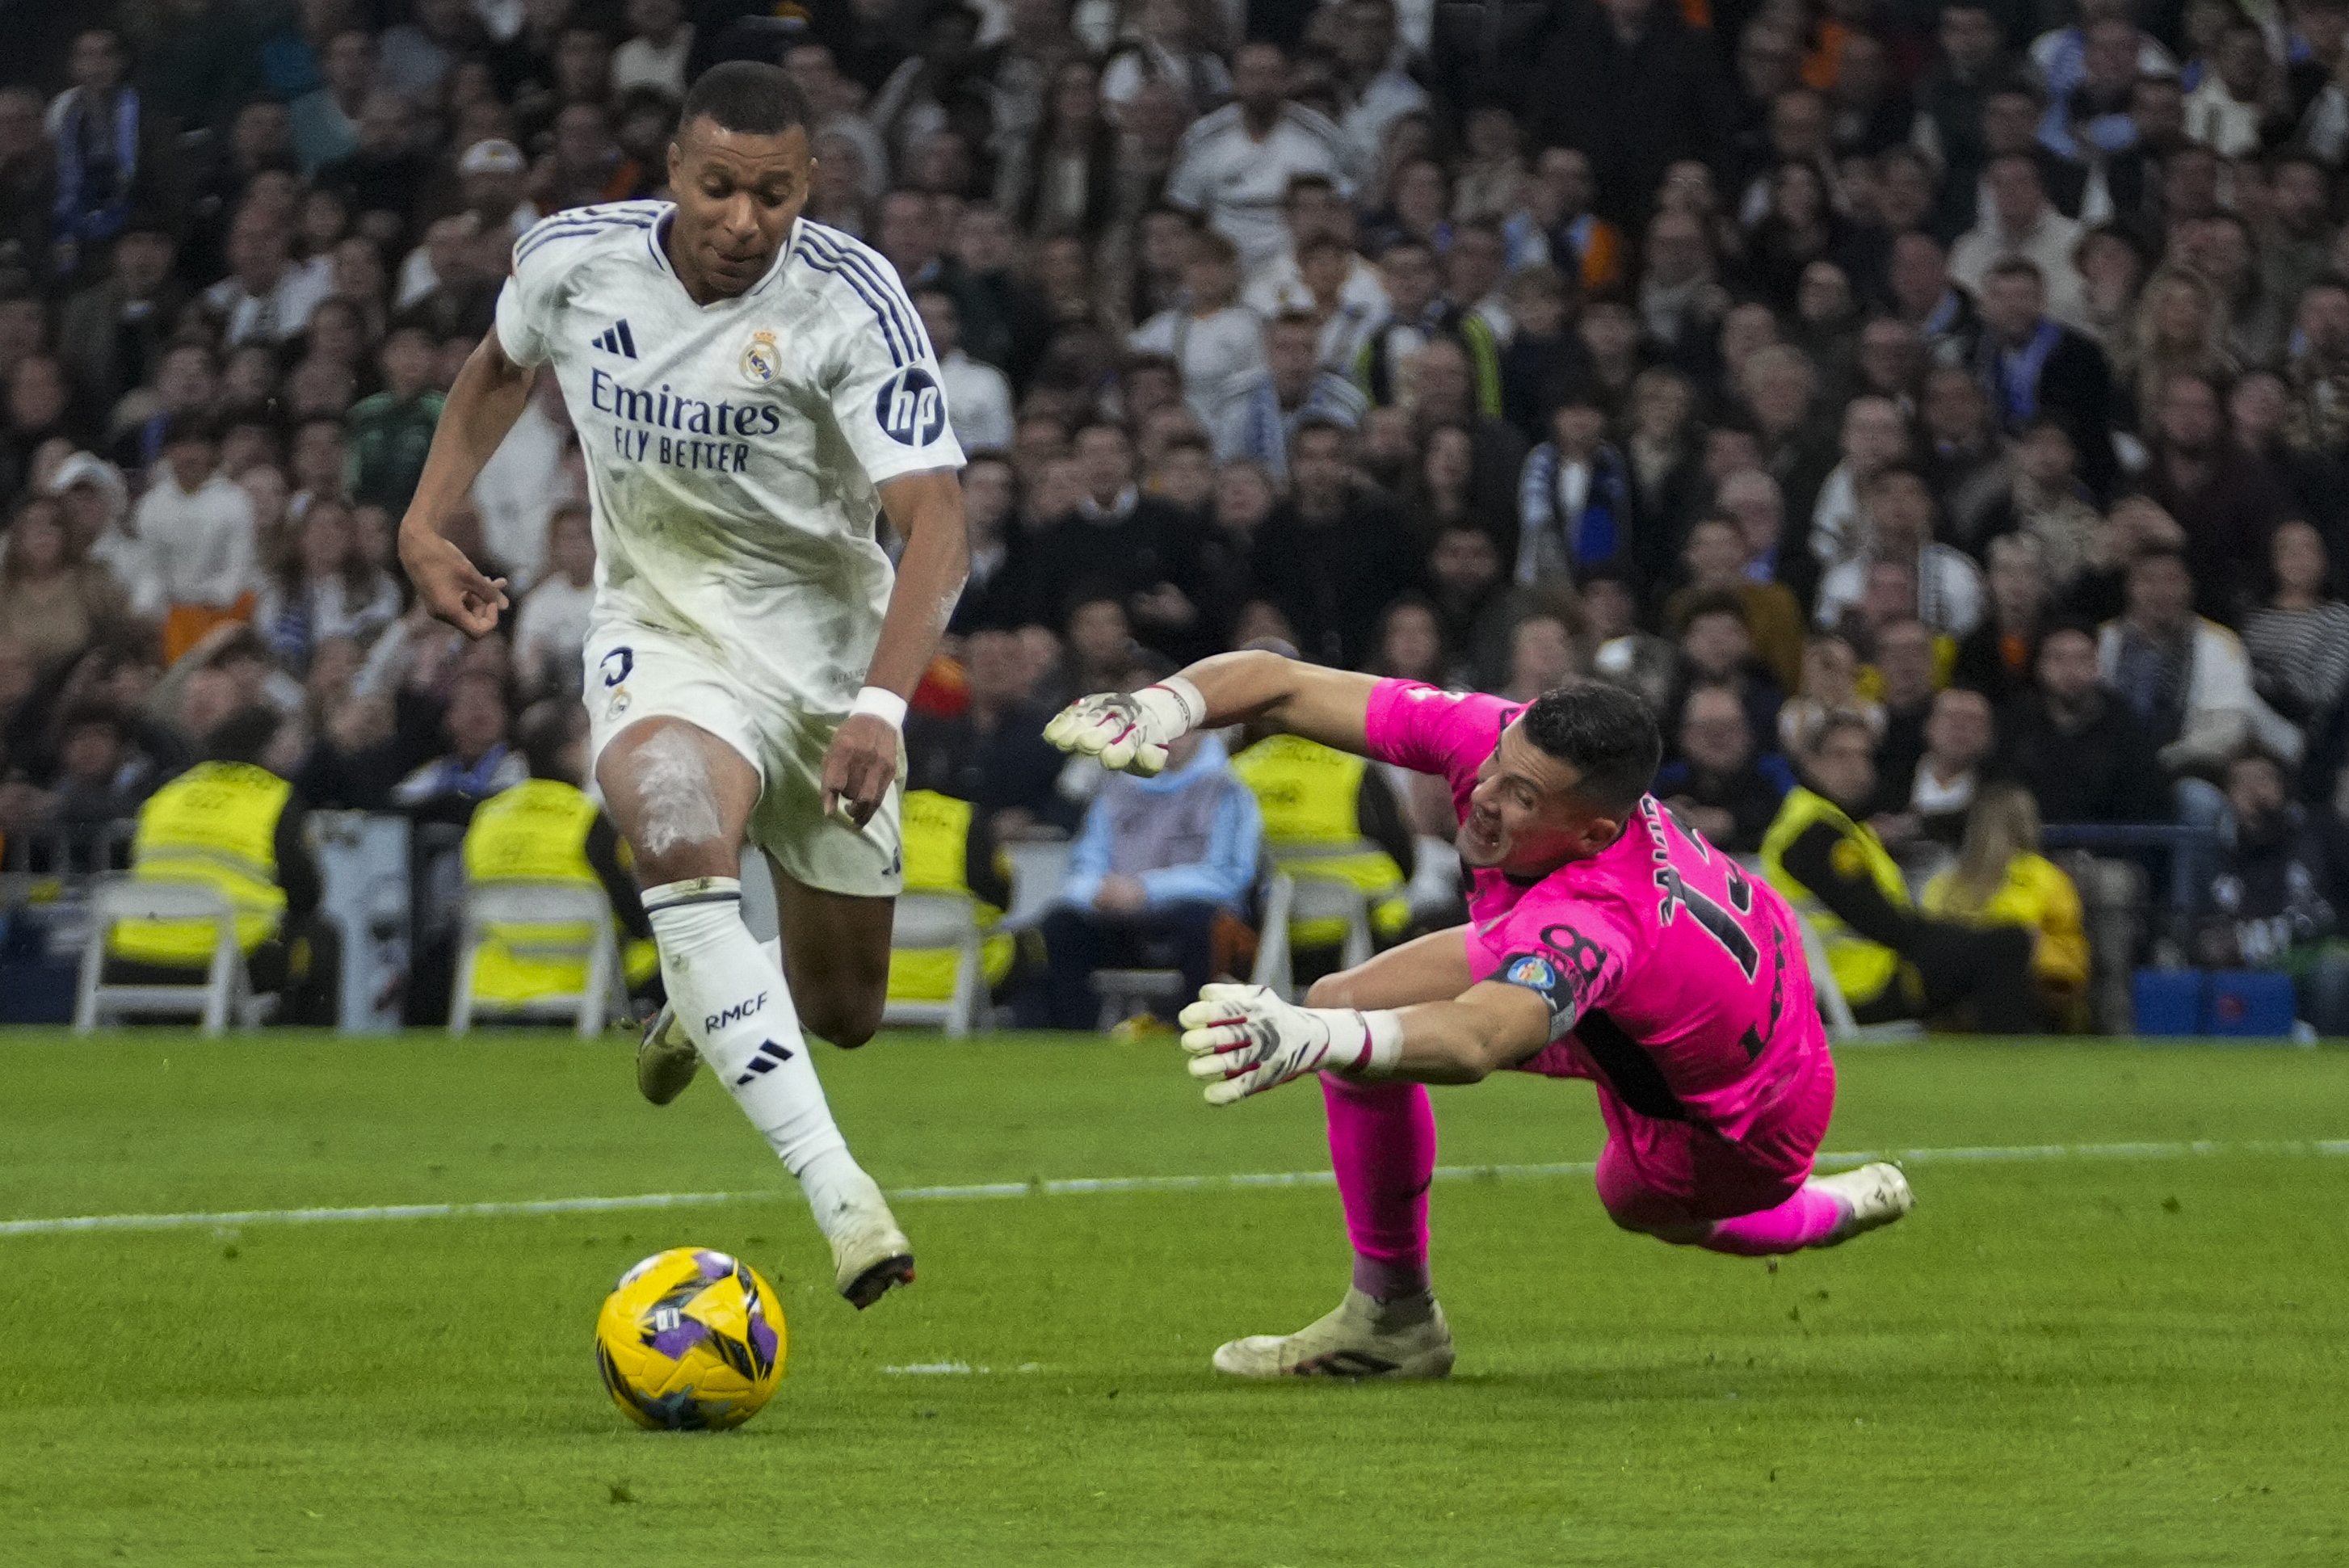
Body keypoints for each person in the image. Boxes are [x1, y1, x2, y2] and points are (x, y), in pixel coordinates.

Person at [395, 63, 972, 1312]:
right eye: (717, 188)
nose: (742, 221)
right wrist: (425, 521)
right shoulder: (573, 260)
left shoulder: (851, 301)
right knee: (674, 833)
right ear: (672, 171)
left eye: (773, 195)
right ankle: (843, 1197)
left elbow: (939, 522)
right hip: (661, 634)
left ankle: (708, 1000)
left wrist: (880, 706)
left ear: (807, 187)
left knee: (845, 1008)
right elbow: (498, 368)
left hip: (827, 665)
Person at [1044, 658, 1911, 1380]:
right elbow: (1280, 683)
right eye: (1497, 763)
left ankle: (1822, 1207)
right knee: (1347, 1001)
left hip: (1739, 1115)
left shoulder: (1599, 917)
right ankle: (1393, 1320)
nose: (1484, 795)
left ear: (1590, 832)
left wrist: (1313, 1041)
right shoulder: (1506, 747)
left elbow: (1477, 1038)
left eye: (1522, 795)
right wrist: (1161, 707)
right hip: (1690, 990)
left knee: (1632, 1198)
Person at [1760, 712, 2038, 1031]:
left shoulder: (1830, 821)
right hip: (1859, 983)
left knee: (1985, 944)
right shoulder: (1816, 832)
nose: (1855, 767)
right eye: (1840, 755)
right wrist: (1954, 935)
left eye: (1863, 756)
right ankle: (2013, 1049)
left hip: (1861, 972)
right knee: (2006, 944)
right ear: (1810, 762)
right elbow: (1879, 920)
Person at [107, 704, 339, 1026]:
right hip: (224, 962)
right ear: (270, 746)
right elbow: (306, 893)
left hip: (134, 960)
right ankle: (294, 1045)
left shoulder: (168, 793)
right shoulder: (273, 798)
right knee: (322, 936)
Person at [1039, 725, 1262, 1029]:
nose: (1168, 740)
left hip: (1197, 922)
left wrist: (1146, 890)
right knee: (1061, 924)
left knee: (1200, 923)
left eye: (1179, 730)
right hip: (1122, 920)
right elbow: (1085, 861)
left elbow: (1230, 876)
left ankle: (1195, 1029)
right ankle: (1075, 1035)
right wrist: (1095, 890)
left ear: (1202, 731)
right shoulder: (1117, 791)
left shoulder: (1229, 790)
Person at [454, 700, 660, 1017]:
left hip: (501, 974)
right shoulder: (588, 820)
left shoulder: (486, 816)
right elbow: (630, 912)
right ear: (567, 755)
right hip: (583, 972)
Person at [1922, 784, 2091, 1032]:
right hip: (2018, 1008)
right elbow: (2071, 962)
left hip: (1980, 1006)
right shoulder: (2047, 879)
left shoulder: (1941, 885)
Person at [1652, 683, 1794, 854]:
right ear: (1683, 735)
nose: (1718, 738)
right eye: (1705, 729)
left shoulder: (1777, 776)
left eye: (1729, 727)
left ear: (1748, 732)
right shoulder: (1662, 782)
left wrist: (1733, 824)